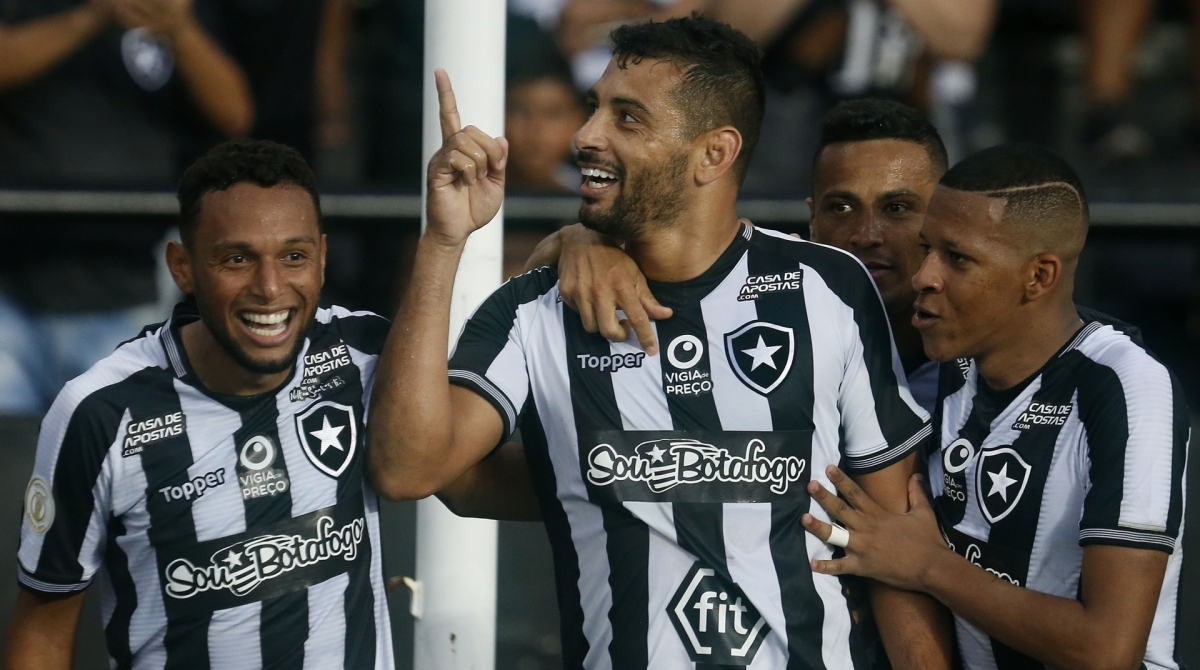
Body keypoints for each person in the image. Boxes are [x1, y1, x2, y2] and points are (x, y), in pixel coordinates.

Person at [370, 15, 951, 669]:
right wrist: (443, 241)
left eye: (627, 118)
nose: (584, 136)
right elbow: (406, 469)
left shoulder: (829, 288)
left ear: (714, 153)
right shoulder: (535, 306)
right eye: (594, 110)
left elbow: (890, 542)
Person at [5, 140, 394, 668]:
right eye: (237, 259)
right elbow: (42, 633)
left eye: (294, 256)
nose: (270, 286)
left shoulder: (365, 352)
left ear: (322, 258)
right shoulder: (101, 411)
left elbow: (448, 470)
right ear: (182, 267)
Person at [798, 143, 1188, 669]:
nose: (924, 276)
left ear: (1039, 276)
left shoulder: (1125, 387)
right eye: (927, 249)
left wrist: (927, 566)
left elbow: (1107, 650)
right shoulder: (954, 371)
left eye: (957, 258)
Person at [0, 0, 253, 414]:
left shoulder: (170, 8)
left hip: (124, 286)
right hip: (11, 290)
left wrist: (180, 30)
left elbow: (235, 113)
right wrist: (95, 13)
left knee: (118, 464)